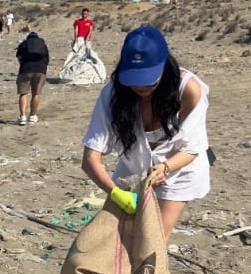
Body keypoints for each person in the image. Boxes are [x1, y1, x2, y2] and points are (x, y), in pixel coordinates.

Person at [81, 25, 210, 243]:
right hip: (133, 170)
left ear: (164, 65)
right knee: (118, 238)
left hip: (179, 172)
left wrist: (165, 168)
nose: (141, 87)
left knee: (153, 239)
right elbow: (89, 159)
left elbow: (192, 148)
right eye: (134, 79)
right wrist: (115, 193)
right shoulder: (113, 94)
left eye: (149, 78)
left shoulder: (187, 91)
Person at [15, 28, 50, 124]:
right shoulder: (43, 45)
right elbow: (47, 59)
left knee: (23, 93)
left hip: (25, 70)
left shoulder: (23, 44)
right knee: (36, 94)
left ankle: (22, 117)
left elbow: (18, 56)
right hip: (40, 70)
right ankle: (33, 116)